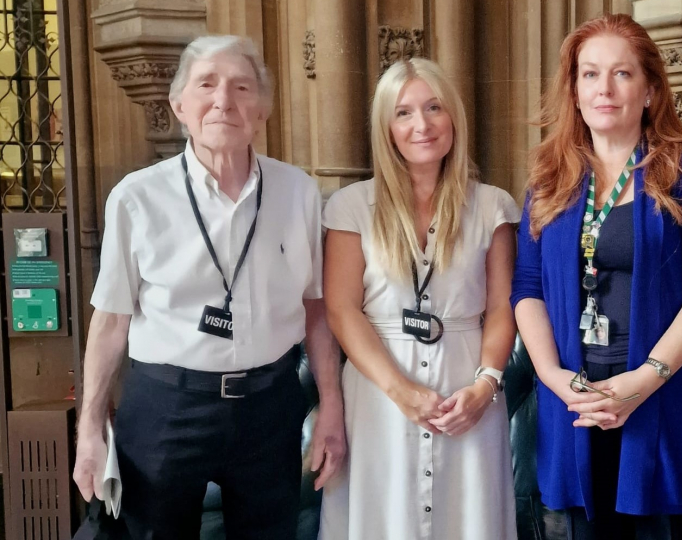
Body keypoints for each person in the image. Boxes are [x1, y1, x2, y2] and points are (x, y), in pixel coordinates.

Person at [72, 35, 346, 539]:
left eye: (242, 87)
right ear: (180, 105)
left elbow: (316, 309)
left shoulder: (299, 192)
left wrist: (331, 405)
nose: (224, 100)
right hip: (167, 407)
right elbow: (111, 321)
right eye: (207, 85)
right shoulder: (136, 197)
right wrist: (89, 428)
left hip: (270, 405)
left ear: (262, 110)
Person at [511, 13, 682, 540]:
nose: (603, 89)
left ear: (651, 89)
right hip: (577, 401)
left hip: (666, 394)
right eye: (589, 74)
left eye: (622, 74)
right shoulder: (549, 179)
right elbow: (527, 288)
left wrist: (644, 380)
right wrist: (553, 377)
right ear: (573, 89)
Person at [318, 57, 520, 540]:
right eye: (404, 112)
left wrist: (485, 385)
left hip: (468, 388)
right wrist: (400, 390)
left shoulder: (493, 205)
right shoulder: (350, 206)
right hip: (377, 394)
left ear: (454, 117)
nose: (422, 124)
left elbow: (501, 306)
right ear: (386, 127)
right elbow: (342, 309)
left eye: (434, 107)